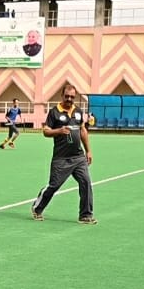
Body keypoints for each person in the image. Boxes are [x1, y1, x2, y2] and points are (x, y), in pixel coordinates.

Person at [30, 83, 97, 224]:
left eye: (72, 97)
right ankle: (37, 208)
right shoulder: (54, 112)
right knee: (54, 185)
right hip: (61, 158)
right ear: (62, 96)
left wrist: (88, 150)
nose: (69, 99)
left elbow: (83, 130)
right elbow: (45, 131)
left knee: (86, 183)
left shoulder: (78, 111)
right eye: (67, 96)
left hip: (78, 157)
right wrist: (58, 131)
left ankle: (85, 215)